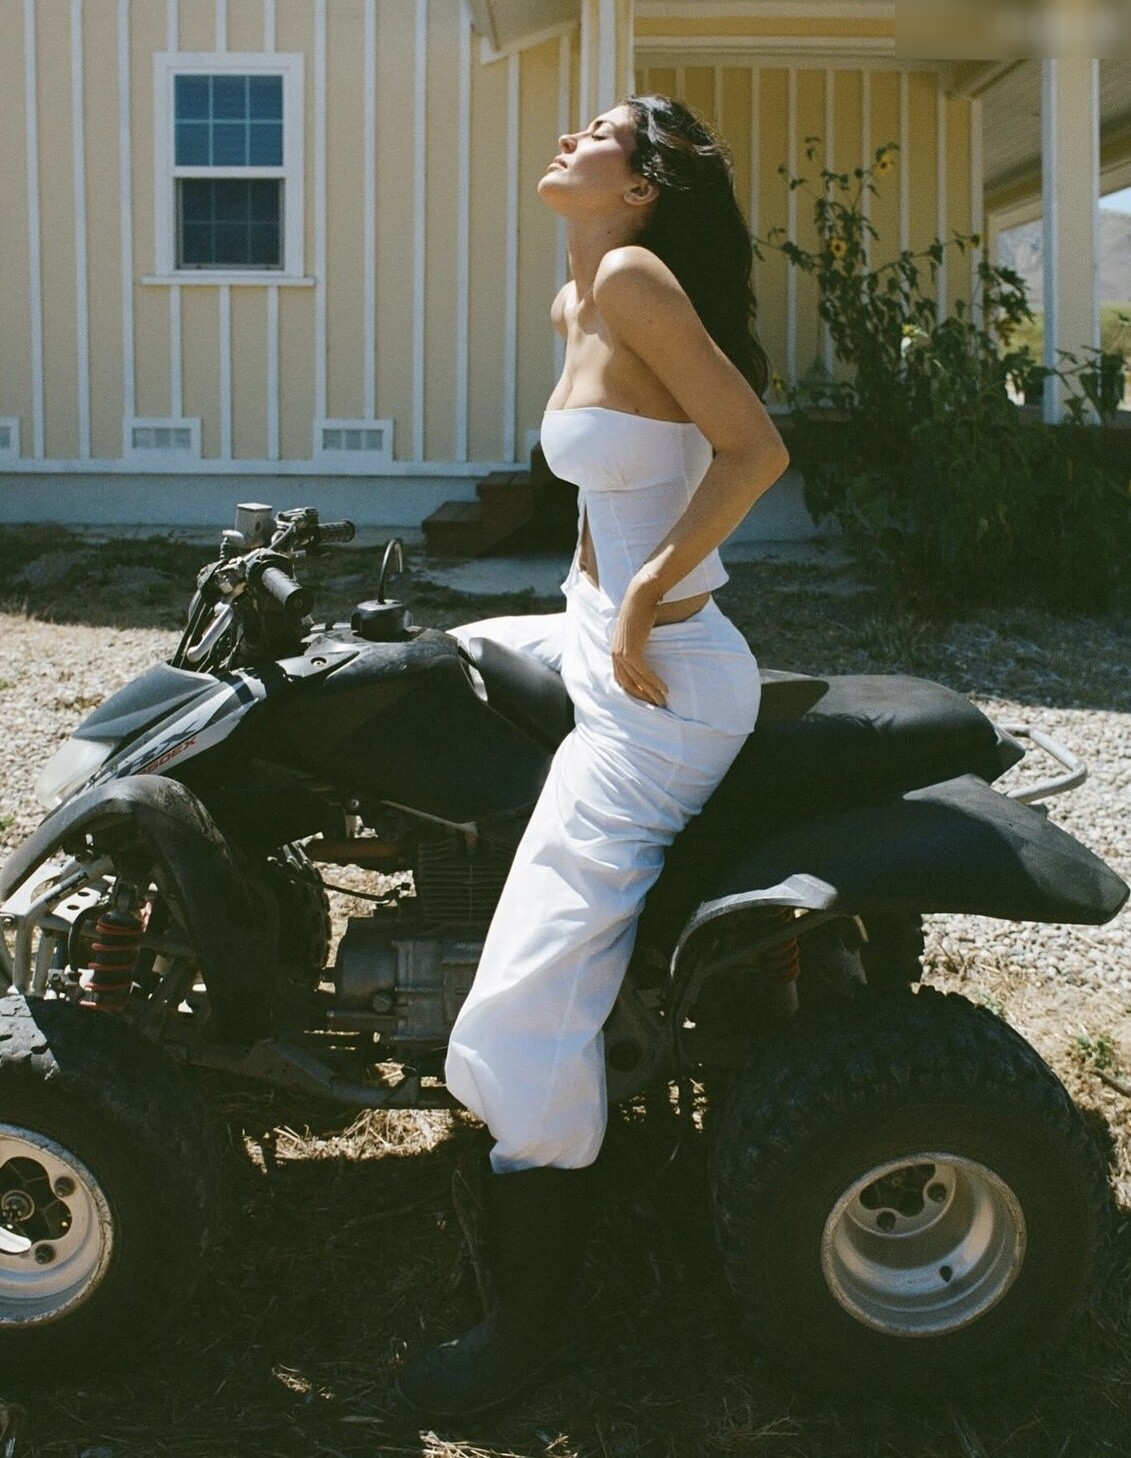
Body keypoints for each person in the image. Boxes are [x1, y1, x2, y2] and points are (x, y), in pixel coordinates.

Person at [396, 94, 790, 1417]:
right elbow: (604, 493)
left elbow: (754, 450)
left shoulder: (631, 281)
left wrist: (642, 599)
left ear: (645, 187)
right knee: (393, 676)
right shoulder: (579, 300)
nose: (571, 134)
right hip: (592, 637)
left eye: (604, 131)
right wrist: (584, 605)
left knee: (520, 1014)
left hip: (660, 686)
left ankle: (528, 1335)